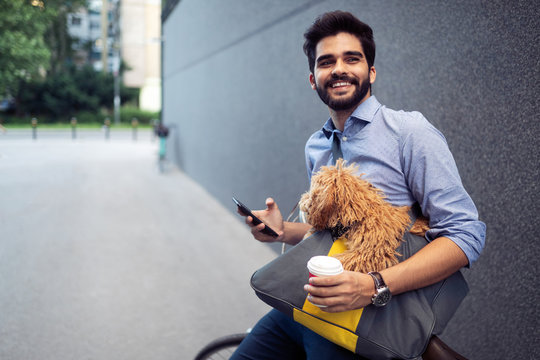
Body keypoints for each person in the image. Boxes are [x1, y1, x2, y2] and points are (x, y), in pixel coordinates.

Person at [232, 10, 486, 359]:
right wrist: (283, 230)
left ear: (371, 72)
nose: (338, 68)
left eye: (352, 58)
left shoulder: (408, 133)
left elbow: (465, 236)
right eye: (326, 61)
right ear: (313, 78)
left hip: (362, 326)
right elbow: (332, 234)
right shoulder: (316, 145)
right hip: (301, 307)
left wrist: (373, 285)